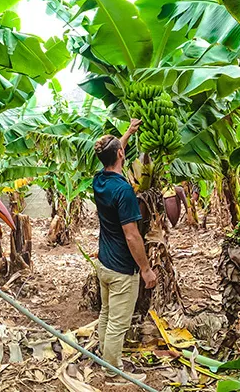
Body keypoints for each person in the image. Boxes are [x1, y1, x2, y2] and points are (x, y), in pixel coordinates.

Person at [92, 119, 157, 380]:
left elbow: (113, 154)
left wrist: (127, 133)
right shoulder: (124, 191)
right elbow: (132, 236)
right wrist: (146, 269)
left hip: (104, 264)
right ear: (120, 154)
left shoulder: (100, 180)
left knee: (106, 314)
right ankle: (113, 372)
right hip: (121, 268)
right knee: (118, 322)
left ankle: (104, 357)